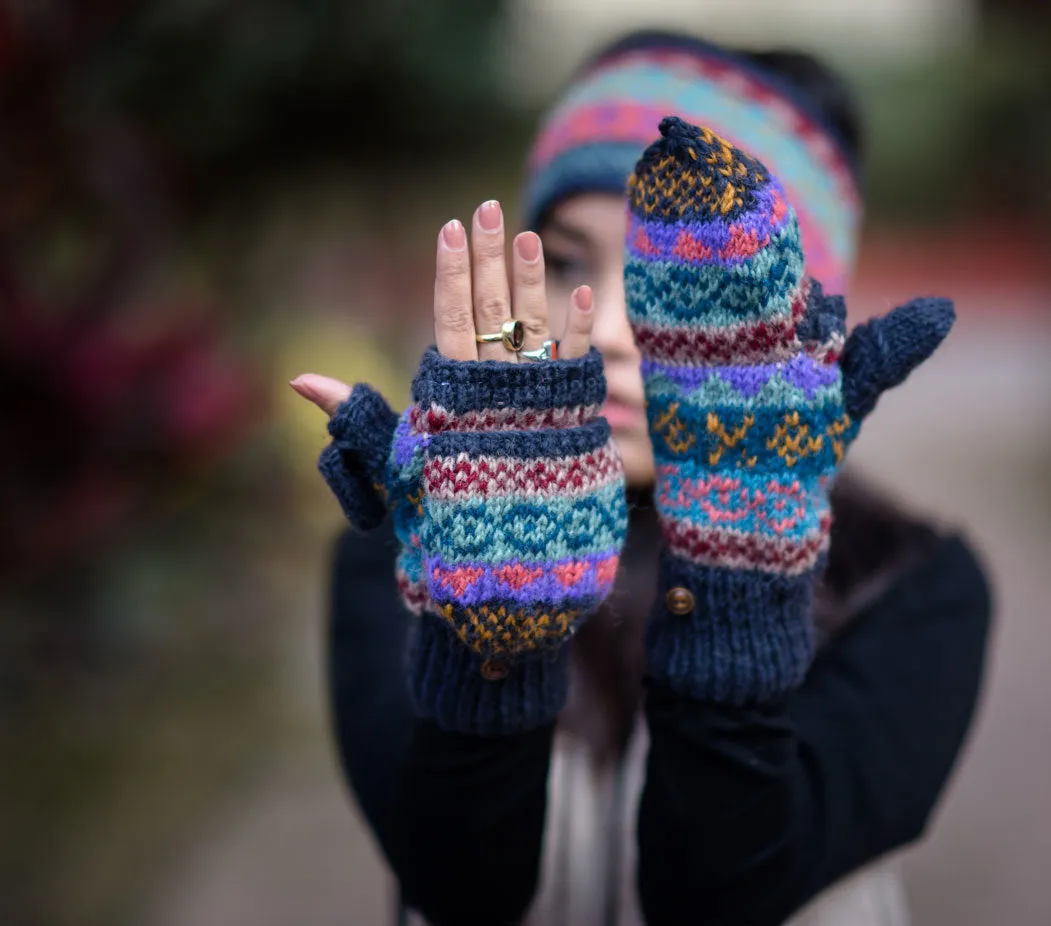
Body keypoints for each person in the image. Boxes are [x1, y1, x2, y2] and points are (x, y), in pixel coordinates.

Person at [290, 30, 992, 926]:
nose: (615, 328)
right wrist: (492, 612)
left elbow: (719, 893)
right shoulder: (406, 547)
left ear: (793, 325)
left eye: (682, 279)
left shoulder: (914, 589)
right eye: (573, 265)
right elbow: (458, 893)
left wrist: (738, 570)